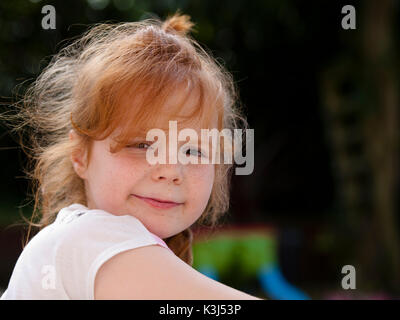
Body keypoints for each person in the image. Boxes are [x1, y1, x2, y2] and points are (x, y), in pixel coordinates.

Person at [0, 11, 261, 300]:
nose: (172, 169)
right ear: (80, 155)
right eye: (142, 145)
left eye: (193, 150)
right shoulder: (88, 238)